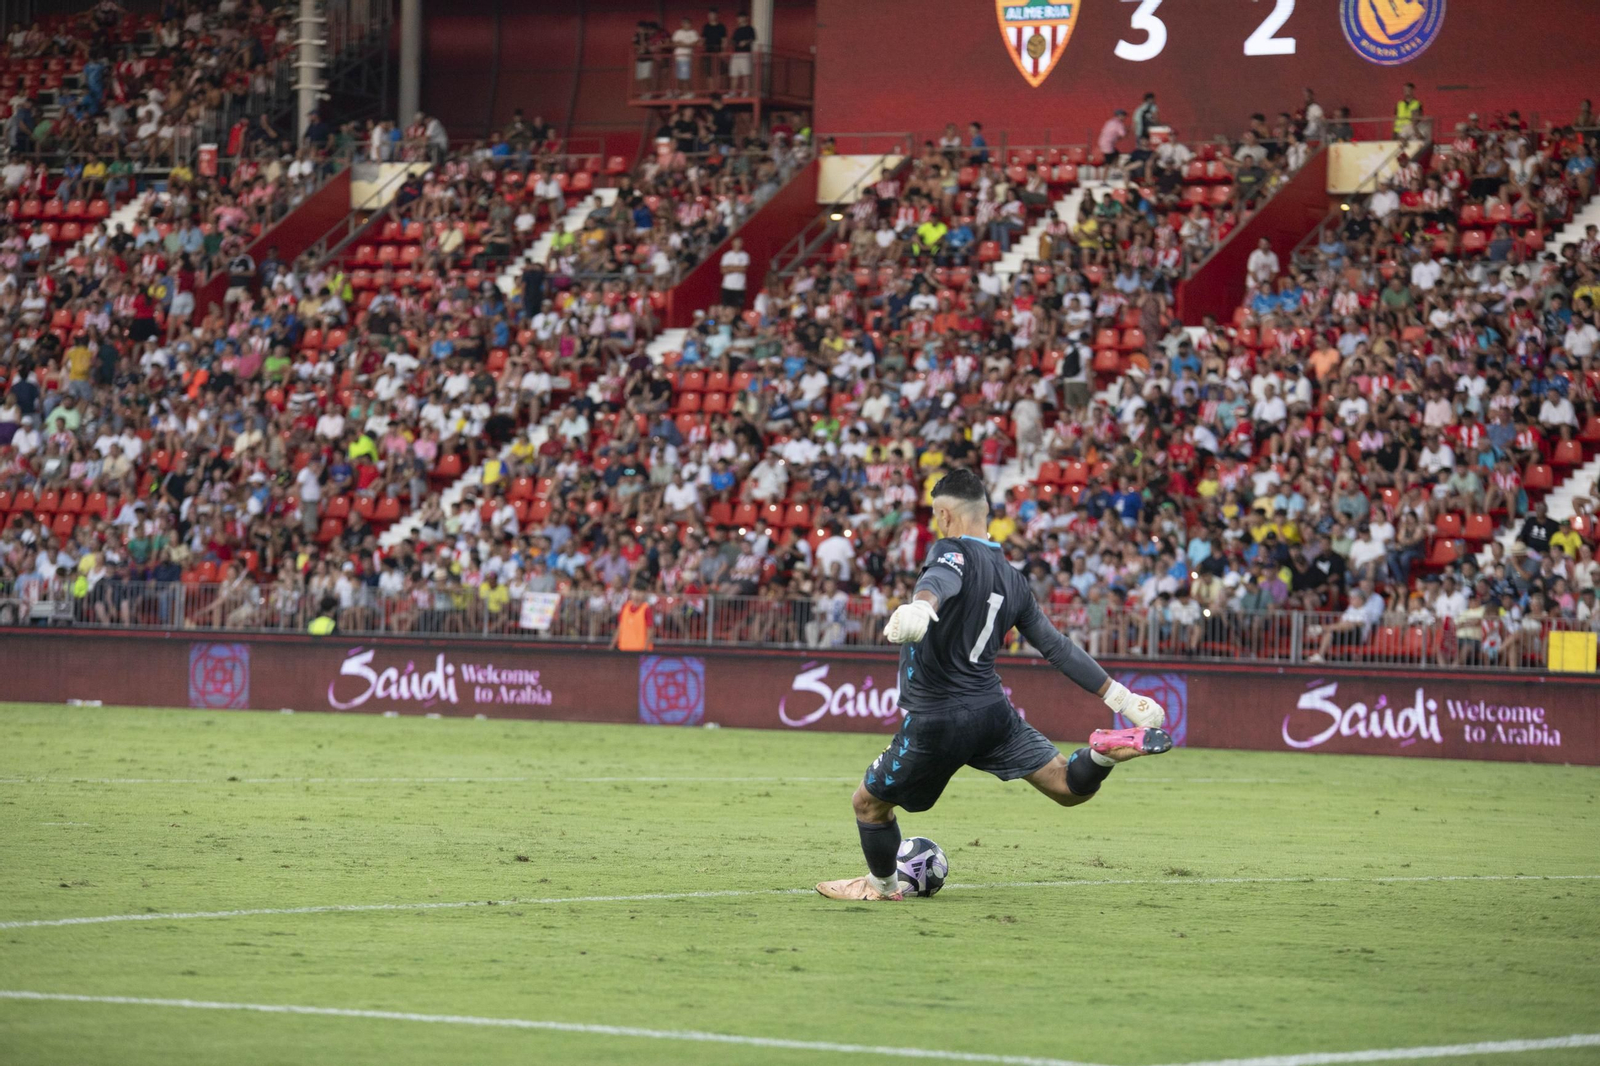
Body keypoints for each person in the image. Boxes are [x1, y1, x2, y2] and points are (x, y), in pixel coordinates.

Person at [815, 468, 1171, 902]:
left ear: (945, 515)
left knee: (867, 804)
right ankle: (1101, 753)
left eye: (935, 515)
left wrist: (921, 609)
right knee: (1065, 785)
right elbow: (1057, 647)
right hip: (992, 712)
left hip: (937, 718)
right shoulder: (1012, 577)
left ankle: (881, 887)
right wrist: (1121, 697)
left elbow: (938, 582)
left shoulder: (950, 552)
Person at [612, 583, 655, 651]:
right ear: (631, 592)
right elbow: (620, 627)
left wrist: (645, 648)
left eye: (640, 592)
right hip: (624, 648)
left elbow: (650, 630)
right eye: (635, 591)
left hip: (640, 649)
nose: (637, 594)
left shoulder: (646, 609)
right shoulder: (625, 607)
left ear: (644, 594)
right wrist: (612, 644)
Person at [719, 235, 750, 308]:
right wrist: (737, 267)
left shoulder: (745, 256)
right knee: (726, 307)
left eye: (740, 242)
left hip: (739, 286)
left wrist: (729, 267)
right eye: (736, 242)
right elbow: (723, 270)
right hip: (727, 285)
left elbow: (743, 269)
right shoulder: (726, 255)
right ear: (732, 243)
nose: (738, 244)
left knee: (738, 308)